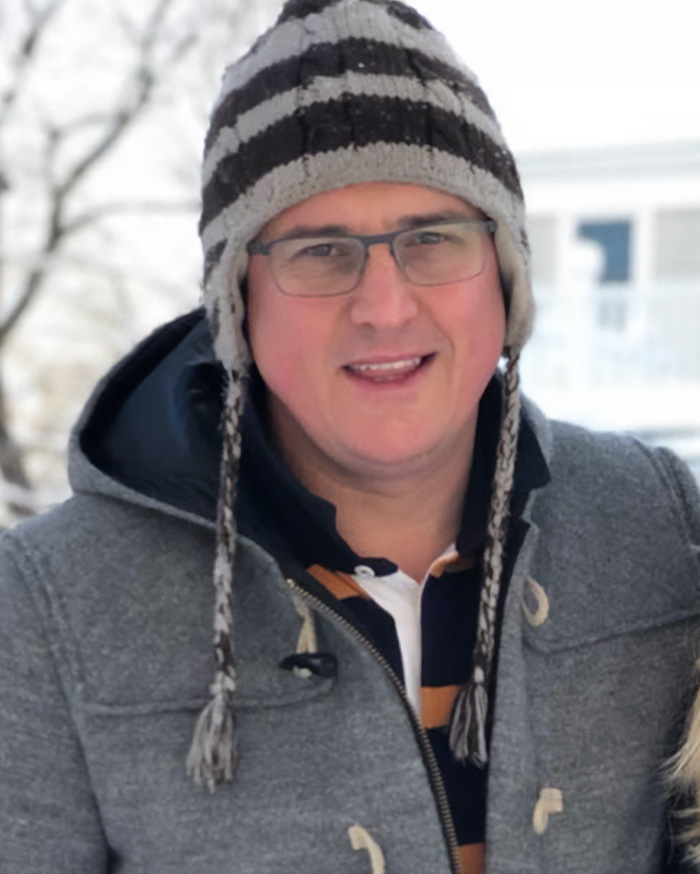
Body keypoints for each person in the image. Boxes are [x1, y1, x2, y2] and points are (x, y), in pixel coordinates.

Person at [1, 0, 699, 871]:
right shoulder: (43, 608)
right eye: (320, 251)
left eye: (434, 239)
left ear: (505, 278)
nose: (384, 306)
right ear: (236, 307)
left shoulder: (662, 528)